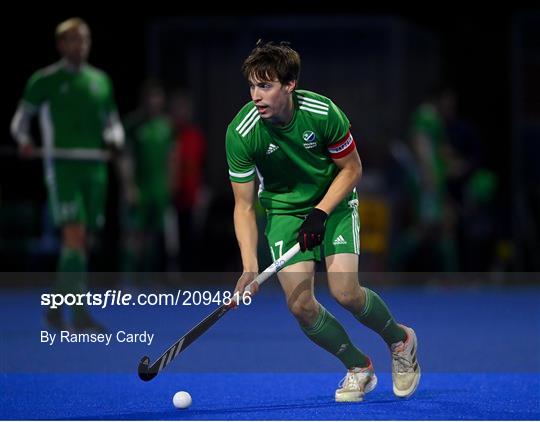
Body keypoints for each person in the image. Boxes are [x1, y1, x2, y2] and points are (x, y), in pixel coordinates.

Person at [226, 41, 420, 402]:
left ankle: (400, 340)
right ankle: (358, 367)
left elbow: (353, 169)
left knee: (345, 291)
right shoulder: (241, 133)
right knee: (300, 305)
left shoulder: (322, 112)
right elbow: (244, 206)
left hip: (335, 201)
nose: (256, 96)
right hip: (283, 211)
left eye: (265, 86)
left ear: (289, 85)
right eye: (252, 86)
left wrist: (321, 212)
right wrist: (250, 267)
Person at [10, 18, 124, 332]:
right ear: (61, 45)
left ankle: (54, 306)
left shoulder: (101, 81)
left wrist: (115, 139)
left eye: (84, 40)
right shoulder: (43, 80)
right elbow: (20, 122)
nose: (80, 46)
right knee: (73, 237)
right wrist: (24, 141)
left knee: (81, 243)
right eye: (73, 40)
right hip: (63, 170)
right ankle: (80, 314)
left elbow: (112, 122)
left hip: (95, 170)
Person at [120, 80, 174, 273]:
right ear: (144, 100)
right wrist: (128, 186)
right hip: (139, 187)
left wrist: (169, 186)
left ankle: (148, 279)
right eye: (150, 97)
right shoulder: (132, 125)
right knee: (135, 235)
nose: (154, 101)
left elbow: (171, 158)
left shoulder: (166, 126)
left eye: (157, 97)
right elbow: (125, 157)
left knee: (154, 236)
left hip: (159, 189)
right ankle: (128, 278)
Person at [169, 91, 207, 271]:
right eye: (178, 109)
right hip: (170, 197)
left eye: (185, 109)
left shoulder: (196, 137)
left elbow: (202, 166)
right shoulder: (167, 135)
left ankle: (189, 276)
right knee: (170, 242)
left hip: (191, 198)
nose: (182, 113)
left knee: (191, 239)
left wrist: (201, 192)